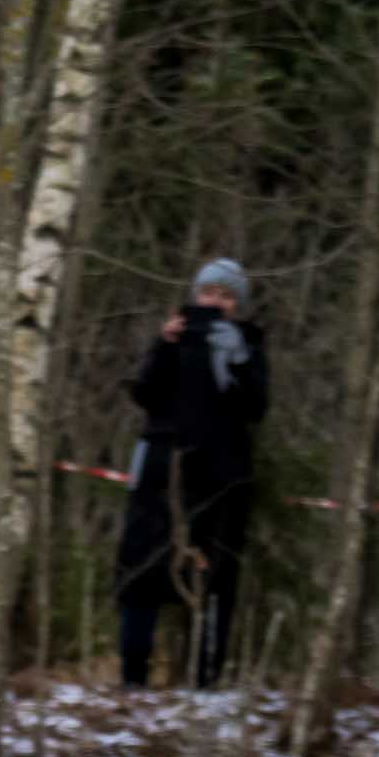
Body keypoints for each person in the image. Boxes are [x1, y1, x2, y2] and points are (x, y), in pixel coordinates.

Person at [116, 258, 269, 688]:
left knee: (217, 578)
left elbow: (256, 407)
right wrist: (164, 345)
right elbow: (145, 394)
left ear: (238, 304)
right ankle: (132, 679)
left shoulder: (249, 345)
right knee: (141, 571)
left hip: (223, 477)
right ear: (195, 295)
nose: (215, 302)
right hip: (162, 471)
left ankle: (206, 683)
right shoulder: (175, 338)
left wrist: (235, 363)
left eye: (226, 295)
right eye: (208, 292)